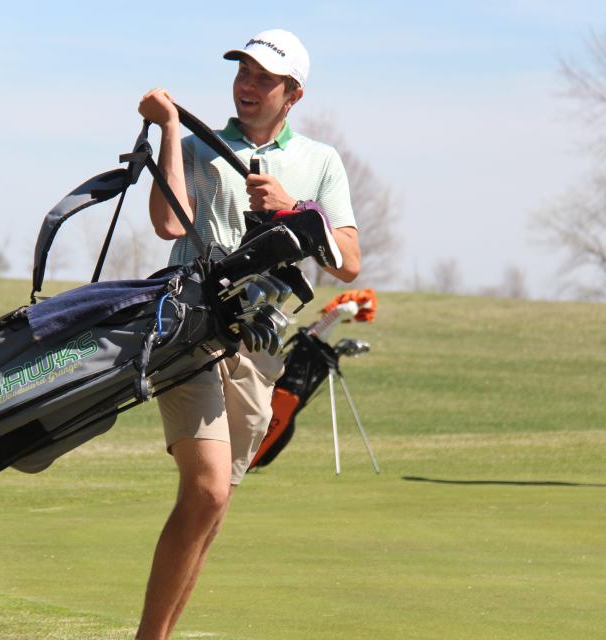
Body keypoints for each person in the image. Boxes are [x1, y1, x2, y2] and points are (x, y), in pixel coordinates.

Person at [134, 29, 360, 639]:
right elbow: (163, 221)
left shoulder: (320, 161)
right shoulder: (204, 148)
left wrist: (293, 208)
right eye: (243, 73)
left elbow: (349, 262)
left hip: (260, 348)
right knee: (205, 489)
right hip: (190, 333)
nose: (248, 85)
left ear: (294, 94)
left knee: (214, 508)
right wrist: (169, 132)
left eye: (265, 78)